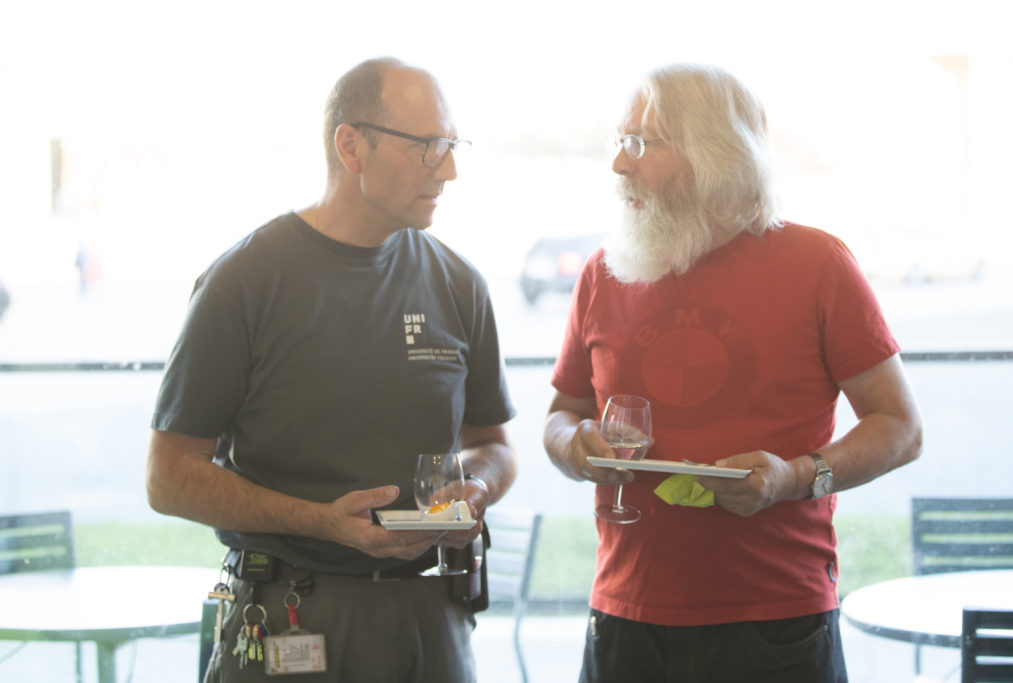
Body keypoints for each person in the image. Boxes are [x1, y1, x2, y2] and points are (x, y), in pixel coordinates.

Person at [543, 63, 923, 683]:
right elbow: (562, 415)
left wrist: (796, 477)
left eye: (640, 143)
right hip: (625, 613)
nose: (619, 164)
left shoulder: (817, 263)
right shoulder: (601, 273)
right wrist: (573, 447)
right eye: (618, 141)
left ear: (714, 155)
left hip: (774, 621)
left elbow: (902, 429)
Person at [146, 57, 517, 683]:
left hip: (433, 617)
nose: (449, 169)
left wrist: (475, 491)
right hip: (293, 612)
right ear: (351, 145)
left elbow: (493, 447)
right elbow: (169, 477)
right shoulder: (245, 281)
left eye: (450, 145)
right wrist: (319, 522)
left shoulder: (459, 284)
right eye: (428, 147)